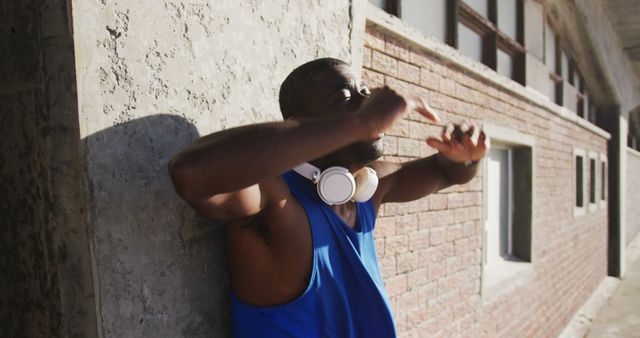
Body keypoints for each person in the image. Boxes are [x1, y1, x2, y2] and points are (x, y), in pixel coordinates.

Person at [168, 58, 488, 337]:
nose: (365, 98)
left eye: (366, 90)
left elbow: (446, 173)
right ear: (299, 124)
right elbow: (190, 174)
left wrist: (464, 157)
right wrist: (362, 121)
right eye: (344, 96)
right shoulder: (274, 197)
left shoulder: (365, 189)